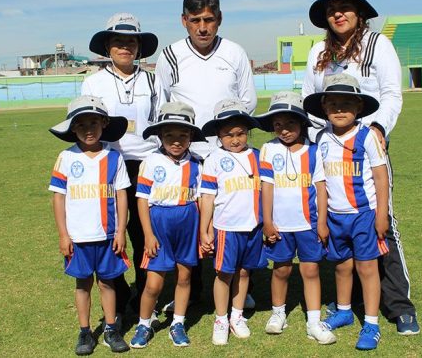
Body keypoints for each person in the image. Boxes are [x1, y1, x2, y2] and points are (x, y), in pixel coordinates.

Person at [303, 0, 419, 336]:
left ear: (360, 12)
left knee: (381, 224)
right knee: (337, 223)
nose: (338, 13)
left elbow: (390, 95)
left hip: (369, 146)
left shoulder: (377, 44)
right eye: (332, 8)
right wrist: (318, 140)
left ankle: (399, 306)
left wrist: (379, 129)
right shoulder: (317, 52)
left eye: (346, 7)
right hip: (329, 149)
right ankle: (348, 305)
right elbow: (310, 100)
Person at [155, 0, 258, 310]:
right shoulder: (170, 55)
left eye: (209, 19)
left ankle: (236, 286)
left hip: (226, 157)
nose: (203, 27)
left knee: (230, 220)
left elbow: (248, 101)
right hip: (186, 157)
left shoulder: (235, 53)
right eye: (196, 20)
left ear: (220, 19)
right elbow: (163, 103)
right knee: (191, 225)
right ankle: (191, 290)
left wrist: (230, 146)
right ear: (184, 21)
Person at [82, 12, 164, 315]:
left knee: (144, 234)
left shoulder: (154, 81)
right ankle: (118, 290)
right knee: (109, 233)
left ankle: (146, 296)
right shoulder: (93, 82)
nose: (125, 47)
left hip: (146, 164)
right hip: (110, 164)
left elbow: (159, 123)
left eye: (131, 41)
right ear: (107, 46)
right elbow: (88, 126)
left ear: (139, 47)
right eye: (118, 41)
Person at [303, 74, 389, 350]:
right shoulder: (321, 137)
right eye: (334, 104)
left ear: (359, 107)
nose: (340, 110)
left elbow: (380, 176)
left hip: (364, 214)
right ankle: (343, 310)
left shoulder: (367, 136)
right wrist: (323, 220)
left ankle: (372, 323)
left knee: (367, 268)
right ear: (324, 108)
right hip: (335, 216)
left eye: (347, 104)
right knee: (341, 266)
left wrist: (382, 214)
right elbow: (322, 182)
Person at [48, 95, 132, 355]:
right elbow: (58, 198)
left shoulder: (114, 157)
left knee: (108, 283)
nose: (88, 129)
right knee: (82, 284)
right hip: (78, 237)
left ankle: (110, 329)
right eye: (81, 124)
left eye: (94, 122)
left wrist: (120, 231)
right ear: (73, 128)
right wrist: (64, 235)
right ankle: (85, 332)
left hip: (107, 236)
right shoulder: (65, 157)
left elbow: (121, 196)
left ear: (104, 124)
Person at [256, 91, 336, 345]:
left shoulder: (313, 152)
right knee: (281, 270)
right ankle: (278, 313)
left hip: (308, 224)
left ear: (302, 123)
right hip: (279, 225)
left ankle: (313, 321)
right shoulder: (268, 149)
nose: (284, 130)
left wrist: (322, 222)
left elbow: (321, 189)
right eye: (277, 124)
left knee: (310, 270)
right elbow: (266, 187)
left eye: (290, 123)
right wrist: (267, 221)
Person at [129, 102, 205, 349]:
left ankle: (178, 323)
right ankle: (144, 323)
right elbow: (141, 200)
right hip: (159, 224)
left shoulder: (197, 162)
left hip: (188, 223)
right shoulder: (151, 161)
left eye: (183, 135)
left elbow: (203, 198)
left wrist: (205, 229)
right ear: (160, 136)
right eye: (169, 135)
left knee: (185, 276)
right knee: (154, 283)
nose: (176, 141)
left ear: (191, 136)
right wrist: (148, 234)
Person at [198, 99, 265, 346]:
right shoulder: (214, 159)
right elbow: (207, 197)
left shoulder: (258, 156)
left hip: (253, 227)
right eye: (228, 135)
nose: (235, 140)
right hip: (226, 228)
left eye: (240, 134)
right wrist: (206, 229)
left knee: (245, 271)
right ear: (218, 134)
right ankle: (221, 319)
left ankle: (237, 315)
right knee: (224, 273)